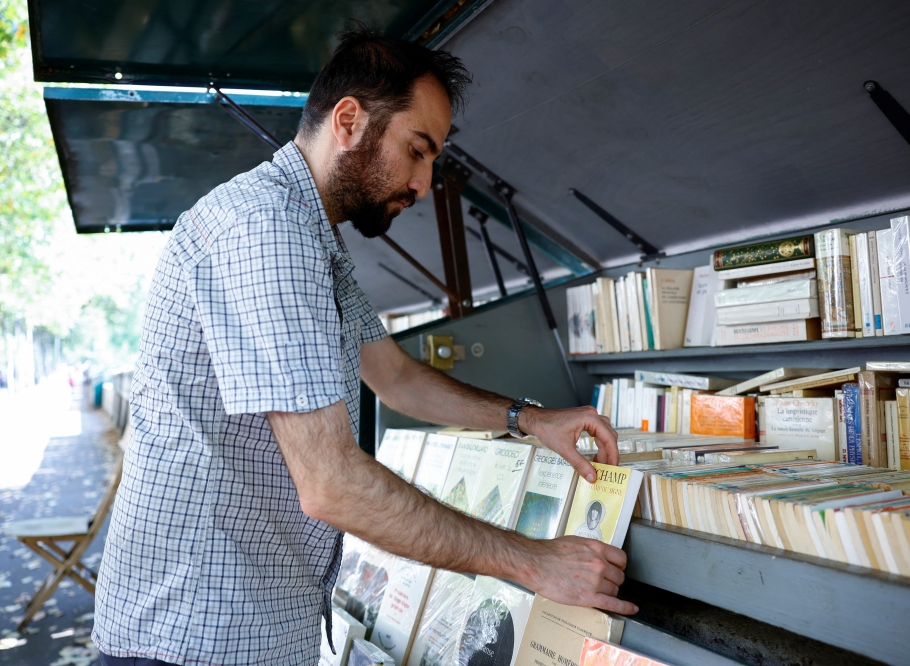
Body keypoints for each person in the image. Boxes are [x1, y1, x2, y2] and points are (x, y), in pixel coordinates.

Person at [92, 27, 635, 666]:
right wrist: (532, 562)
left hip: (246, 626)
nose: (425, 183)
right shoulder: (265, 231)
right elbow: (331, 485)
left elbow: (397, 378)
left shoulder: (313, 233)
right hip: (192, 637)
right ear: (348, 120)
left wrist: (530, 419)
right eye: (417, 149)